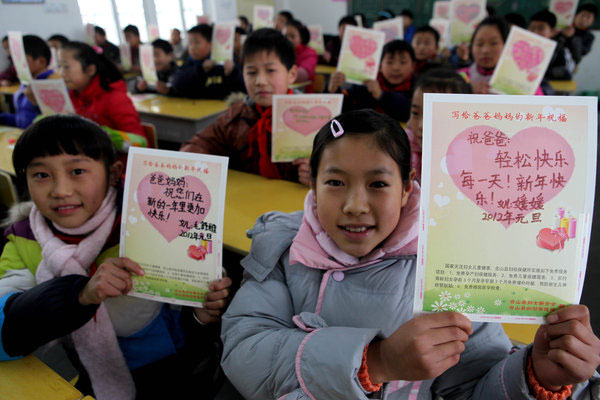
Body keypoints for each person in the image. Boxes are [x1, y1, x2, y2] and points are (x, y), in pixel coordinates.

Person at [220, 108, 600, 399]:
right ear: (313, 186)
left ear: (406, 188)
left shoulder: (449, 265)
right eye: (335, 182)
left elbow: (470, 387)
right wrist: (377, 361)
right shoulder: (283, 246)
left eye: (378, 184)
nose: (355, 204)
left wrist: (536, 376)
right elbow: (243, 353)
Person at [0, 115, 233, 400]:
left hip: (166, 369)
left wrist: (201, 315)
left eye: (77, 171)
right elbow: (4, 327)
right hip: (80, 373)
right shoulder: (22, 237)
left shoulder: (152, 221)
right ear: (24, 180)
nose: (60, 191)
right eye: (41, 175)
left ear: (113, 173)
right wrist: (78, 295)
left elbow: (188, 325)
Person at [180, 28, 310, 185]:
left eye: (270, 70)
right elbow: (198, 144)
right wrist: (192, 161)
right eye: (252, 72)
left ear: (292, 74)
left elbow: (337, 171)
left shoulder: (310, 117)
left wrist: (319, 175)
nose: (260, 81)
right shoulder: (236, 116)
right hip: (246, 204)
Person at [59, 41, 146, 140]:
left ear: (90, 70)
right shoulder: (70, 97)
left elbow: (140, 142)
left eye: (66, 67)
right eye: (59, 66)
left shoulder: (114, 99)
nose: (61, 73)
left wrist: (104, 136)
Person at [406, 68, 472, 182]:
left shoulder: (475, 157)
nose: (422, 125)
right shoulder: (401, 150)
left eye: (436, 115)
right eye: (416, 113)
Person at [328, 40, 415, 121]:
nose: (396, 68)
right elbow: (346, 109)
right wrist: (334, 91)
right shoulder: (367, 82)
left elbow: (410, 113)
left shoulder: (417, 87)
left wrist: (381, 96)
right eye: (389, 62)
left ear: (413, 66)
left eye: (403, 62)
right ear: (380, 66)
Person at [459, 16, 545, 94]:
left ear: (508, 45)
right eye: (479, 44)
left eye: (494, 43)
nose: (485, 50)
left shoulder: (524, 82)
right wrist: (466, 90)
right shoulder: (460, 78)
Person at [170, 24, 242, 99]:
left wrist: (232, 72)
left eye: (197, 43)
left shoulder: (226, 62)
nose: (192, 47)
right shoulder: (189, 63)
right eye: (190, 43)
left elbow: (241, 87)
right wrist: (201, 70)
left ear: (210, 44)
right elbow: (176, 83)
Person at [0, 35, 58, 128]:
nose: (16, 65)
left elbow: (56, 122)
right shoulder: (26, 83)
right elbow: (23, 118)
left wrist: (36, 104)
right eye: (15, 59)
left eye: (22, 59)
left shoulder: (52, 84)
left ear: (41, 61)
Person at [529, 10, 575, 81]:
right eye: (532, 28)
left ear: (553, 32)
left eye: (541, 28)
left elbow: (567, 72)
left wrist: (541, 73)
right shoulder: (523, 49)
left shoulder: (560, 50)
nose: (535, 32)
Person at [284, 19, 318, 91]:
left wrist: (278, 74)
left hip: (302, 95)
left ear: (301, 38)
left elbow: (303, 75)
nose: (288, 39)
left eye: (292, 36)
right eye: (285, 36)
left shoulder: (310, 53)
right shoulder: (279, 51)